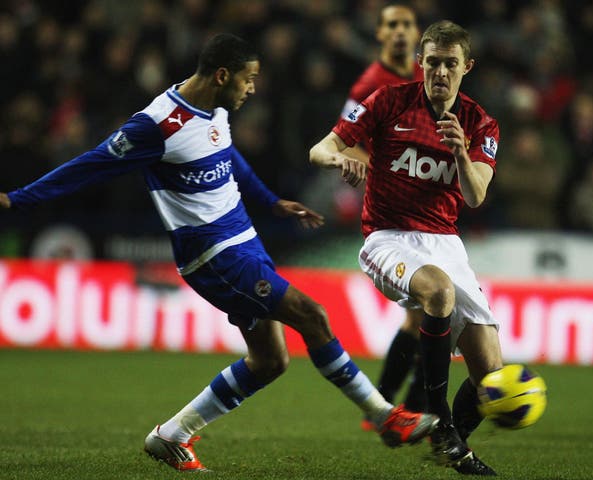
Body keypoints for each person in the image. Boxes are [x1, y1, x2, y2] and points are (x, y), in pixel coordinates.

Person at [0, 33, 439, 473]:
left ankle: (171, 435)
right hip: (213, 256)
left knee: (269, 362)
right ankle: (384, 416)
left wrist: (271, 202)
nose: (252, 89)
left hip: (245, 242)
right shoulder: (158, 124)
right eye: (248, 80)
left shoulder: (216, 109)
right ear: (223, 75)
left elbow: (229, 158)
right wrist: (18, 199)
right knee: (312, 315)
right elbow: (90, 164)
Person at [310, 20, 502, 476]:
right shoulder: (389, 101)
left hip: (446, 243)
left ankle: (451, 445)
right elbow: (320, 148)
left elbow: (476, 196)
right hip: (387, 236)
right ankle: (439, 419)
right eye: (432, 62)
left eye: (450, 64)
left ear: (466, 67)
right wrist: (339, 158)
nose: (440, 72)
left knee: (492, 379)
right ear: (420, 62)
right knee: (437, 293)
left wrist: (459, 152)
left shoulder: (480, 124)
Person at [339, 3, 429, 431]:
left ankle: (387, 407)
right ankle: (401, 408)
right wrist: (386, 168)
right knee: (426, 312)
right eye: (391, 25)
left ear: (417, 34)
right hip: (394, 211)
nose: (399, 32)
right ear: (379, 34)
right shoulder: (370, 84)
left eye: (406, 25)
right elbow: (346, 140)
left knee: (421, 315)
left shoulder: (428, 77)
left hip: (429, 206)